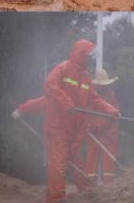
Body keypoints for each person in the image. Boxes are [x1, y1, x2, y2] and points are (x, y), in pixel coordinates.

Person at [44, 39, 119, 203]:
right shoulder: (63, 68)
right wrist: (67, 103)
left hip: (75, 130)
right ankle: (56, 198)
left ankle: (87, 194)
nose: (91, 59)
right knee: (59, 164)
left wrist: (110, 110)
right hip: (59, 127)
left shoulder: (85, 77)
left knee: (78, 164)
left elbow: (95, 99)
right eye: (89, 56)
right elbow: (50, 85)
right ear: (81, 55)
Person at [84, 69, 120, 184]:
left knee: (108, 163)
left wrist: (97, 126)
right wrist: (88, 125)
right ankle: (89, 187)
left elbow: (111, 115)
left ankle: (108, 187)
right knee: (91, 160)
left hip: (108, 134)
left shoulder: (110, 96)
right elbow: (88, 111)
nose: (101, 87)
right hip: (93, 133)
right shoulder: (91, 95)